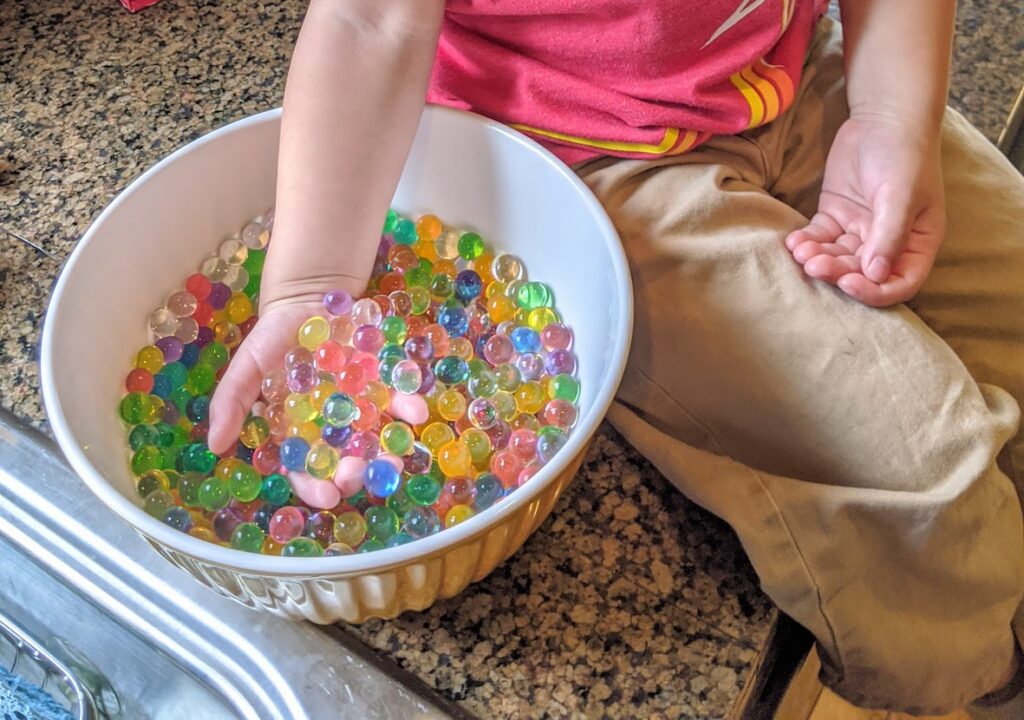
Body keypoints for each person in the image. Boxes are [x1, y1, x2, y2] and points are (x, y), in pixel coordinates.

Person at [206, 1, 1024, 715]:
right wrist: (310, 289)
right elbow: (370, 18)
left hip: (808, 66)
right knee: (928, 490)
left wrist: (890, 115)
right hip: (590, 152)